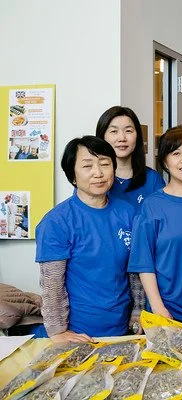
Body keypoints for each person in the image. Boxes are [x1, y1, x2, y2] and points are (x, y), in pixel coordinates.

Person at [35, 136, 136, 342]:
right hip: (79, 332)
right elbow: (52, 284)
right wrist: (58, 332)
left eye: (105, 164)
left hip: (123, 328)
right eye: (87, 166)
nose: (98, 173)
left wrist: (138, 311)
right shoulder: (57, 221)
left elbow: (135, 269)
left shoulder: (127, 212)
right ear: (73, 176)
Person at [128, 126, 182, 330]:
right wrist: (158, 307)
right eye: (176, 154)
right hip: (166, 312)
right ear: (165, 162)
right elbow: (144, 263)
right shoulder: (152, 205)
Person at [96, 106, 165, 211]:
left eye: (128, 131)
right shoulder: (93, 180)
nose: (122, 138)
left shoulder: (152, 179)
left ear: (137, 136)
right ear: (102, 136)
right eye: (114, 131)